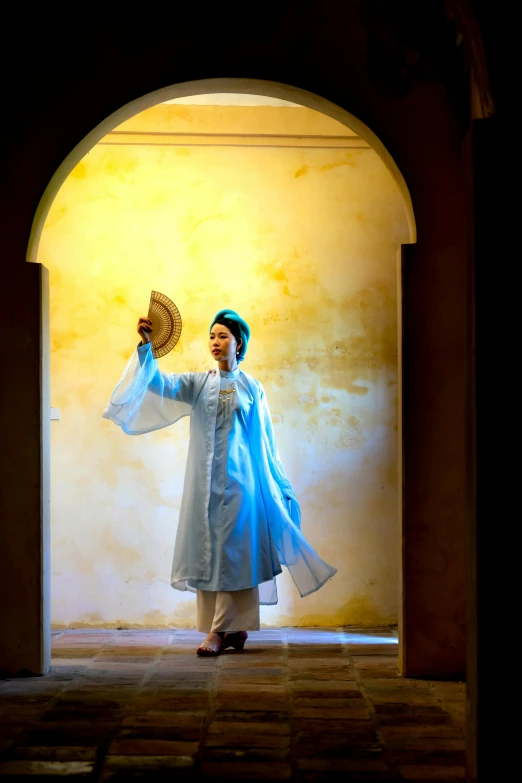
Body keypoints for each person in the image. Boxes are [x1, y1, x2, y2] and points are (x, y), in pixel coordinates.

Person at [103, 308, 336, 656]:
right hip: (203, 486)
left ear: (238, 343)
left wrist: (276, 483)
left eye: (222, 336)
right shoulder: (198, 384)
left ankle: (217, 632)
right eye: (211, 336)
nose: (215, 342)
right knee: (208, 555)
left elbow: (266, 440)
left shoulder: (252, 387)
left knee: (234, 554)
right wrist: (145, 347)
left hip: (243, 486)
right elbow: (158, 383)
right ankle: (235, 629)